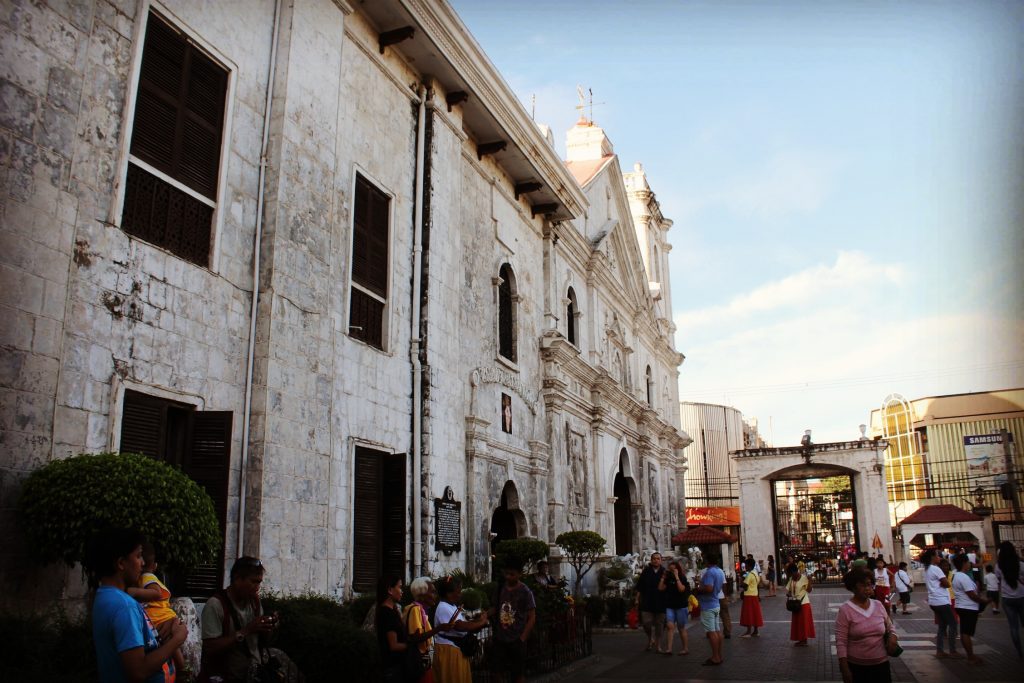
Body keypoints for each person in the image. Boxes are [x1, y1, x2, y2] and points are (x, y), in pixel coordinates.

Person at [86, 528, 185, 683]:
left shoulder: (104, 595)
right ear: (120, 563)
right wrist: (177, 639)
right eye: (138, 556)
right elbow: (138, 671)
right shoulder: (125, 606)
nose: (143, 563)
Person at [126, 543, 186, 676]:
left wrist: (133, 591)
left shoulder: (147, 577)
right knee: (171, 646)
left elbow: (156, 593)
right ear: (155, 565)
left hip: (162, 618)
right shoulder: (145, 578)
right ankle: (183, 671)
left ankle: (184, 670)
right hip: (161, 617)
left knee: (172, 645)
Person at [836, 567, 899, 683]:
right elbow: (841, 641)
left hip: (881, 665)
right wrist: (845, 669)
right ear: (853, 587)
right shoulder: (845, 610)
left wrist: (893, 637)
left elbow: (890, 626)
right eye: (863, 585)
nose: (868, 589)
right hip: (857, 667)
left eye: (870, 585)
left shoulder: (878, 605)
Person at [433, 576, 489, 683]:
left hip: (456, 649)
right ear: (449, 593)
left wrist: (477, 621)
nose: (460, 595)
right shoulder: (443, 607)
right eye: (458, 592)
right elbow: (461, 626)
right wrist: (482, 621)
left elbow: (465, 624)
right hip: (449, 651)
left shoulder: (452, 606)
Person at [488, 561, 536, 683]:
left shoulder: (525, 591)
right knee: (496, 672)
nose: (508, 577)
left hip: (517, 639)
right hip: (500, 638)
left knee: (518, 674)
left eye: (512, 574)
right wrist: (483, 616)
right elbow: (495, 608)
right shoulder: (500, 588)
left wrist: (523, 637)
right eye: (507, 573)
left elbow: (532, 617)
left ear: (519, 574)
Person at [922, 549, 961, 659]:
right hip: (941, 601)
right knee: (953, 624)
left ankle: (940, 650)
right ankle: (953, 650)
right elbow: (947, 583)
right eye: (937, 556)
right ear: (932, 557)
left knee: (942, 626)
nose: (939, 558)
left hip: (934, 601)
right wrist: (945, 583)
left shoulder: (927, 569)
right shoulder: (935, 569)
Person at [951, 554, 987, 665]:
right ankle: (971, 656)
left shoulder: (957, 575)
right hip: (967, 607)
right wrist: (983, 601)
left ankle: (970, 655)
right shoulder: (962, 576)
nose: (969, 564)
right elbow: (971, 594)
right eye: (968, 562)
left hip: (963, 606)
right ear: (964, 563)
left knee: (964, 632)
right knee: (966, 632)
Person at [376, 575, 410, 682]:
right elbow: (394, 645)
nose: (402, 591)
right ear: (390, 590)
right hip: (393, 669)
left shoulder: (392, 611)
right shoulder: (387, 613)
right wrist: (412, 646)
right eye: (399, 587)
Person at [995, 541, 1024, 659]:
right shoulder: (1021, 564)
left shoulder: (998, 566)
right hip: (1022, 596)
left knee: (1013, 626)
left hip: (1007, 598)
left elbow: (998, 580)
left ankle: (1019, 652)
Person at [696, 553, 726, 666]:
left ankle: (715, 657)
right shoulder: (719, 571)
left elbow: (709, 588)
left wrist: (699, 589)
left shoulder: (709, 572)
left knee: (711, 632)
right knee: (717, 631)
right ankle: (719, 655)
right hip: (715, 602)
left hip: (708, 605)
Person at [633, 552, 666, 652]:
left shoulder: (665, 572)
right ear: (651, 560)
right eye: (654, 559)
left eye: (658, 558)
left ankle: (658, 645)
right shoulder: (646, 571)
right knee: (646, 623)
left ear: (661, 560)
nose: (656, 560)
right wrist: (637, 598)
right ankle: (650, 638)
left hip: (661, 602)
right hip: (647, 601)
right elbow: (640, 587)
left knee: (659, 625)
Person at [659, 560, 690, 655]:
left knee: (681, 628)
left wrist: (677, 577)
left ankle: (685, 648)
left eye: (674, 569)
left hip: (680, 605)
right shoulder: (668, 578)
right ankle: (669, 649)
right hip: (670, 606)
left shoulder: (682, 577)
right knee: (670, 626)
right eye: (670, 569)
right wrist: (663, 578)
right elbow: (660, 588)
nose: (672, 571)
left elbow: (681, 589)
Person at [785, 562, 815, 646]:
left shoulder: (804, 578)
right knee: (797, 623)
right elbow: (789, 589)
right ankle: (800, 639)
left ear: (795, 571)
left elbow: (809, 590)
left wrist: (810, 581)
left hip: (803, 603)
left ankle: (804, 640)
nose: (790, 575)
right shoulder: (791, 579)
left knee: (803, 623)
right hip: (795, 604)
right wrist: (789, 593)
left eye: (791, 574)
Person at [739, 558, 763, 638]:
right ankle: (755, 631)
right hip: (755, 595)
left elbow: (745, 586)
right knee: (755, 613)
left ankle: (748, 631)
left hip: (748, 596)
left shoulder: (749, 575)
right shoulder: (755, 573)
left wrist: (741, 580)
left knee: (748, 613)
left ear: (749, 566)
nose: (745, 566)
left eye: (746, 565)